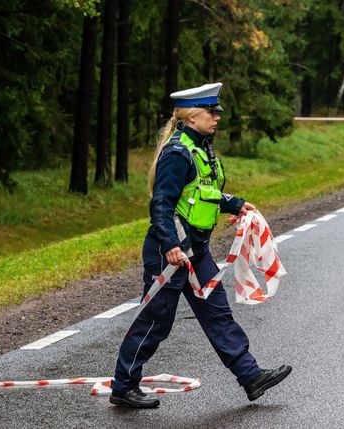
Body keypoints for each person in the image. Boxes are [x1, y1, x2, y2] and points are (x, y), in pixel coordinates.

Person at [110, 83, 292, 408]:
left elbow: (201, 194)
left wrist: (235, 204)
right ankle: (124, 385)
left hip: (197, 253)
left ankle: (251, 377)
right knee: (155, 320)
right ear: (193, 116)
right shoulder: (178, 153)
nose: (217, 117)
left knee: (218, 314)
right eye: (212, 111)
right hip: (171, 254)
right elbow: (161, 205)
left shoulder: (202, 149)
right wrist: (169, 245)